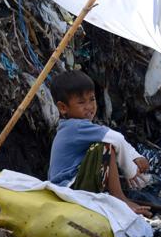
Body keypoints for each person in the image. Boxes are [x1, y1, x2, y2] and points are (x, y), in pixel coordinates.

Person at [47, 70, 152, 216]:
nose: (89, 106)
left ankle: (117, 196)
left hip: (72, 183)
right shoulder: (75, 127)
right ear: (63, 107)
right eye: (81, 102)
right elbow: (116, 139)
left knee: (106, 143)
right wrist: (131, 171)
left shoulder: (77, 126)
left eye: (92, 99)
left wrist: (136, 156)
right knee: (104, 148)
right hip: (67, 187)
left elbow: (114, 137)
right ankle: (120, 199)